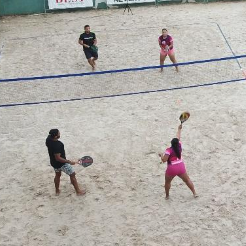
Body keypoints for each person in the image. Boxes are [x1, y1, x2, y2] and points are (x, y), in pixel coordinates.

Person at [159, 125, 198, 199]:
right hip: (180, 166)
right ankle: (194, 193)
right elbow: (178, 137)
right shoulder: (179, 146)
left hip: (172, 168)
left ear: (171, 143)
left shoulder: (168, 150)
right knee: (187, 180)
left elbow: (164, 160)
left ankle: (167, 196)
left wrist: (161, 155)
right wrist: (179, 129)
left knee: (167, 182)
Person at [46, 129, 86, 196]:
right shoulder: (58, 145)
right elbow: (58, 158)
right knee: (72, 174)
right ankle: (78, 192)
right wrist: (69, 162)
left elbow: (55, 158)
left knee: (58, 175)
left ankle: (57, 190)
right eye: (58, 133)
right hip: (61, 164)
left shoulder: (48, 139)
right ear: (55, 136)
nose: (60, 134)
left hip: (53, 163)